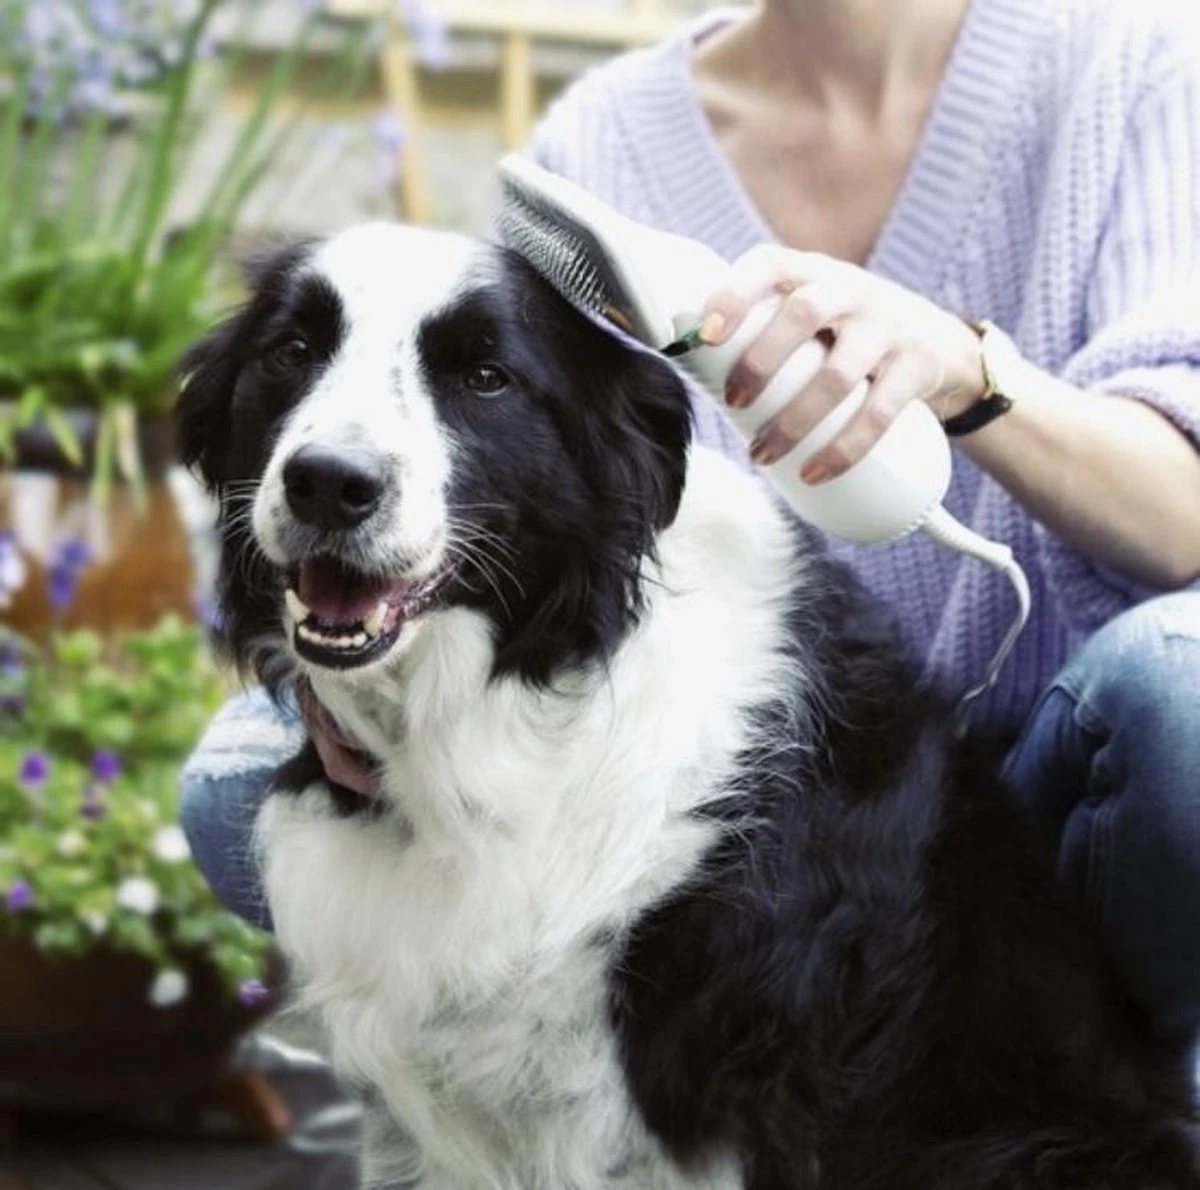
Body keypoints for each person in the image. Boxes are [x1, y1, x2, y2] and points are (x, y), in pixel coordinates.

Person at [181, 0, 1200, 1044]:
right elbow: (543, 530)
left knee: (1188, 693)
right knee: (235, 785)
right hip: (780, 801)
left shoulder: (1138, 67)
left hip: (1075, 792)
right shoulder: (601, 144)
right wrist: (366, 669)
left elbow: (1187, 520)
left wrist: (966, 372)